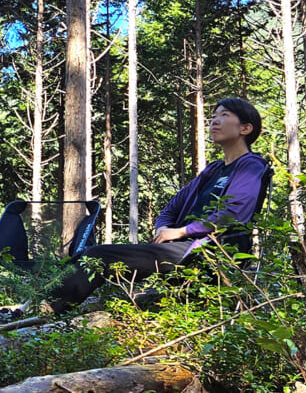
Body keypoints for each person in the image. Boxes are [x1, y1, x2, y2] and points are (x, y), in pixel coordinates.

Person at [44, 97, 268, 314]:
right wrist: (163, 228)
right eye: (213, 115)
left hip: (210, 253)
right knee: (92, 255)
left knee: (98, 255)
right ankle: (39, 305)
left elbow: (233, 214)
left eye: (224, 115)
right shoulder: (213, 170)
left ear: (245, 129)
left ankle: (46, 307)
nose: (214, 121)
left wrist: (181, 231)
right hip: (183, 248)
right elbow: (172, 207)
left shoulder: (251, 165)